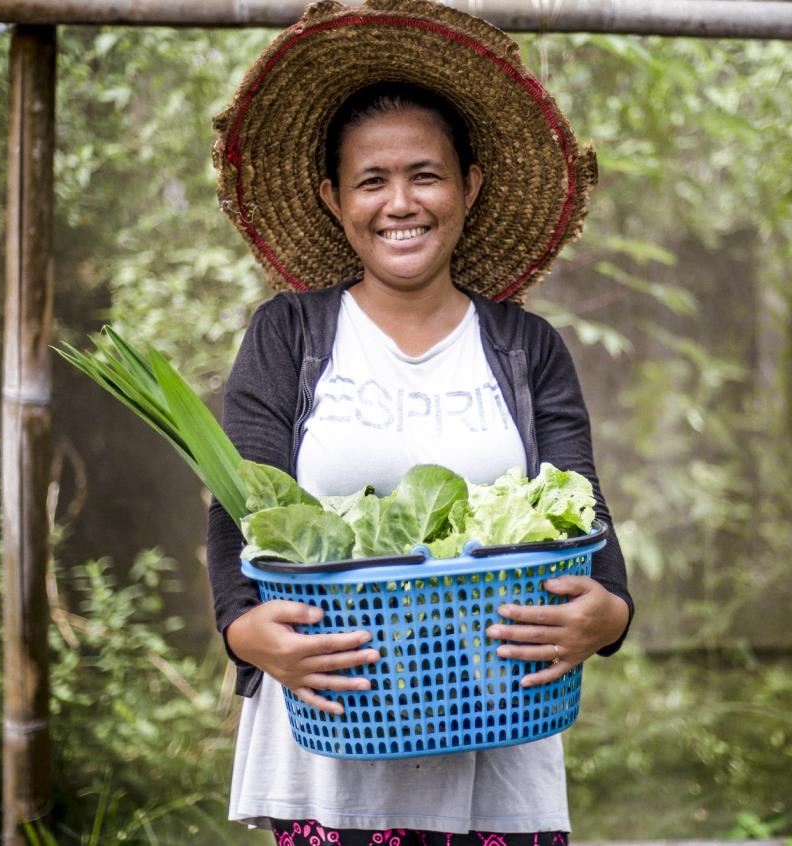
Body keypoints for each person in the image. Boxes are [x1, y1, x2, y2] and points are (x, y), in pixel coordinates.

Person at [206, 1, 633, 840]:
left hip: (496, 735)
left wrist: (609, 616)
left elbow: (587, 520)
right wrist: (244, 628)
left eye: (426, 175)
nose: (400, 203)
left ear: (469, 186)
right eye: (371, 180)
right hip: (334, 736)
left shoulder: (526, 348)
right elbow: (237, 507)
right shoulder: (290, 335)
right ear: (334, 198)